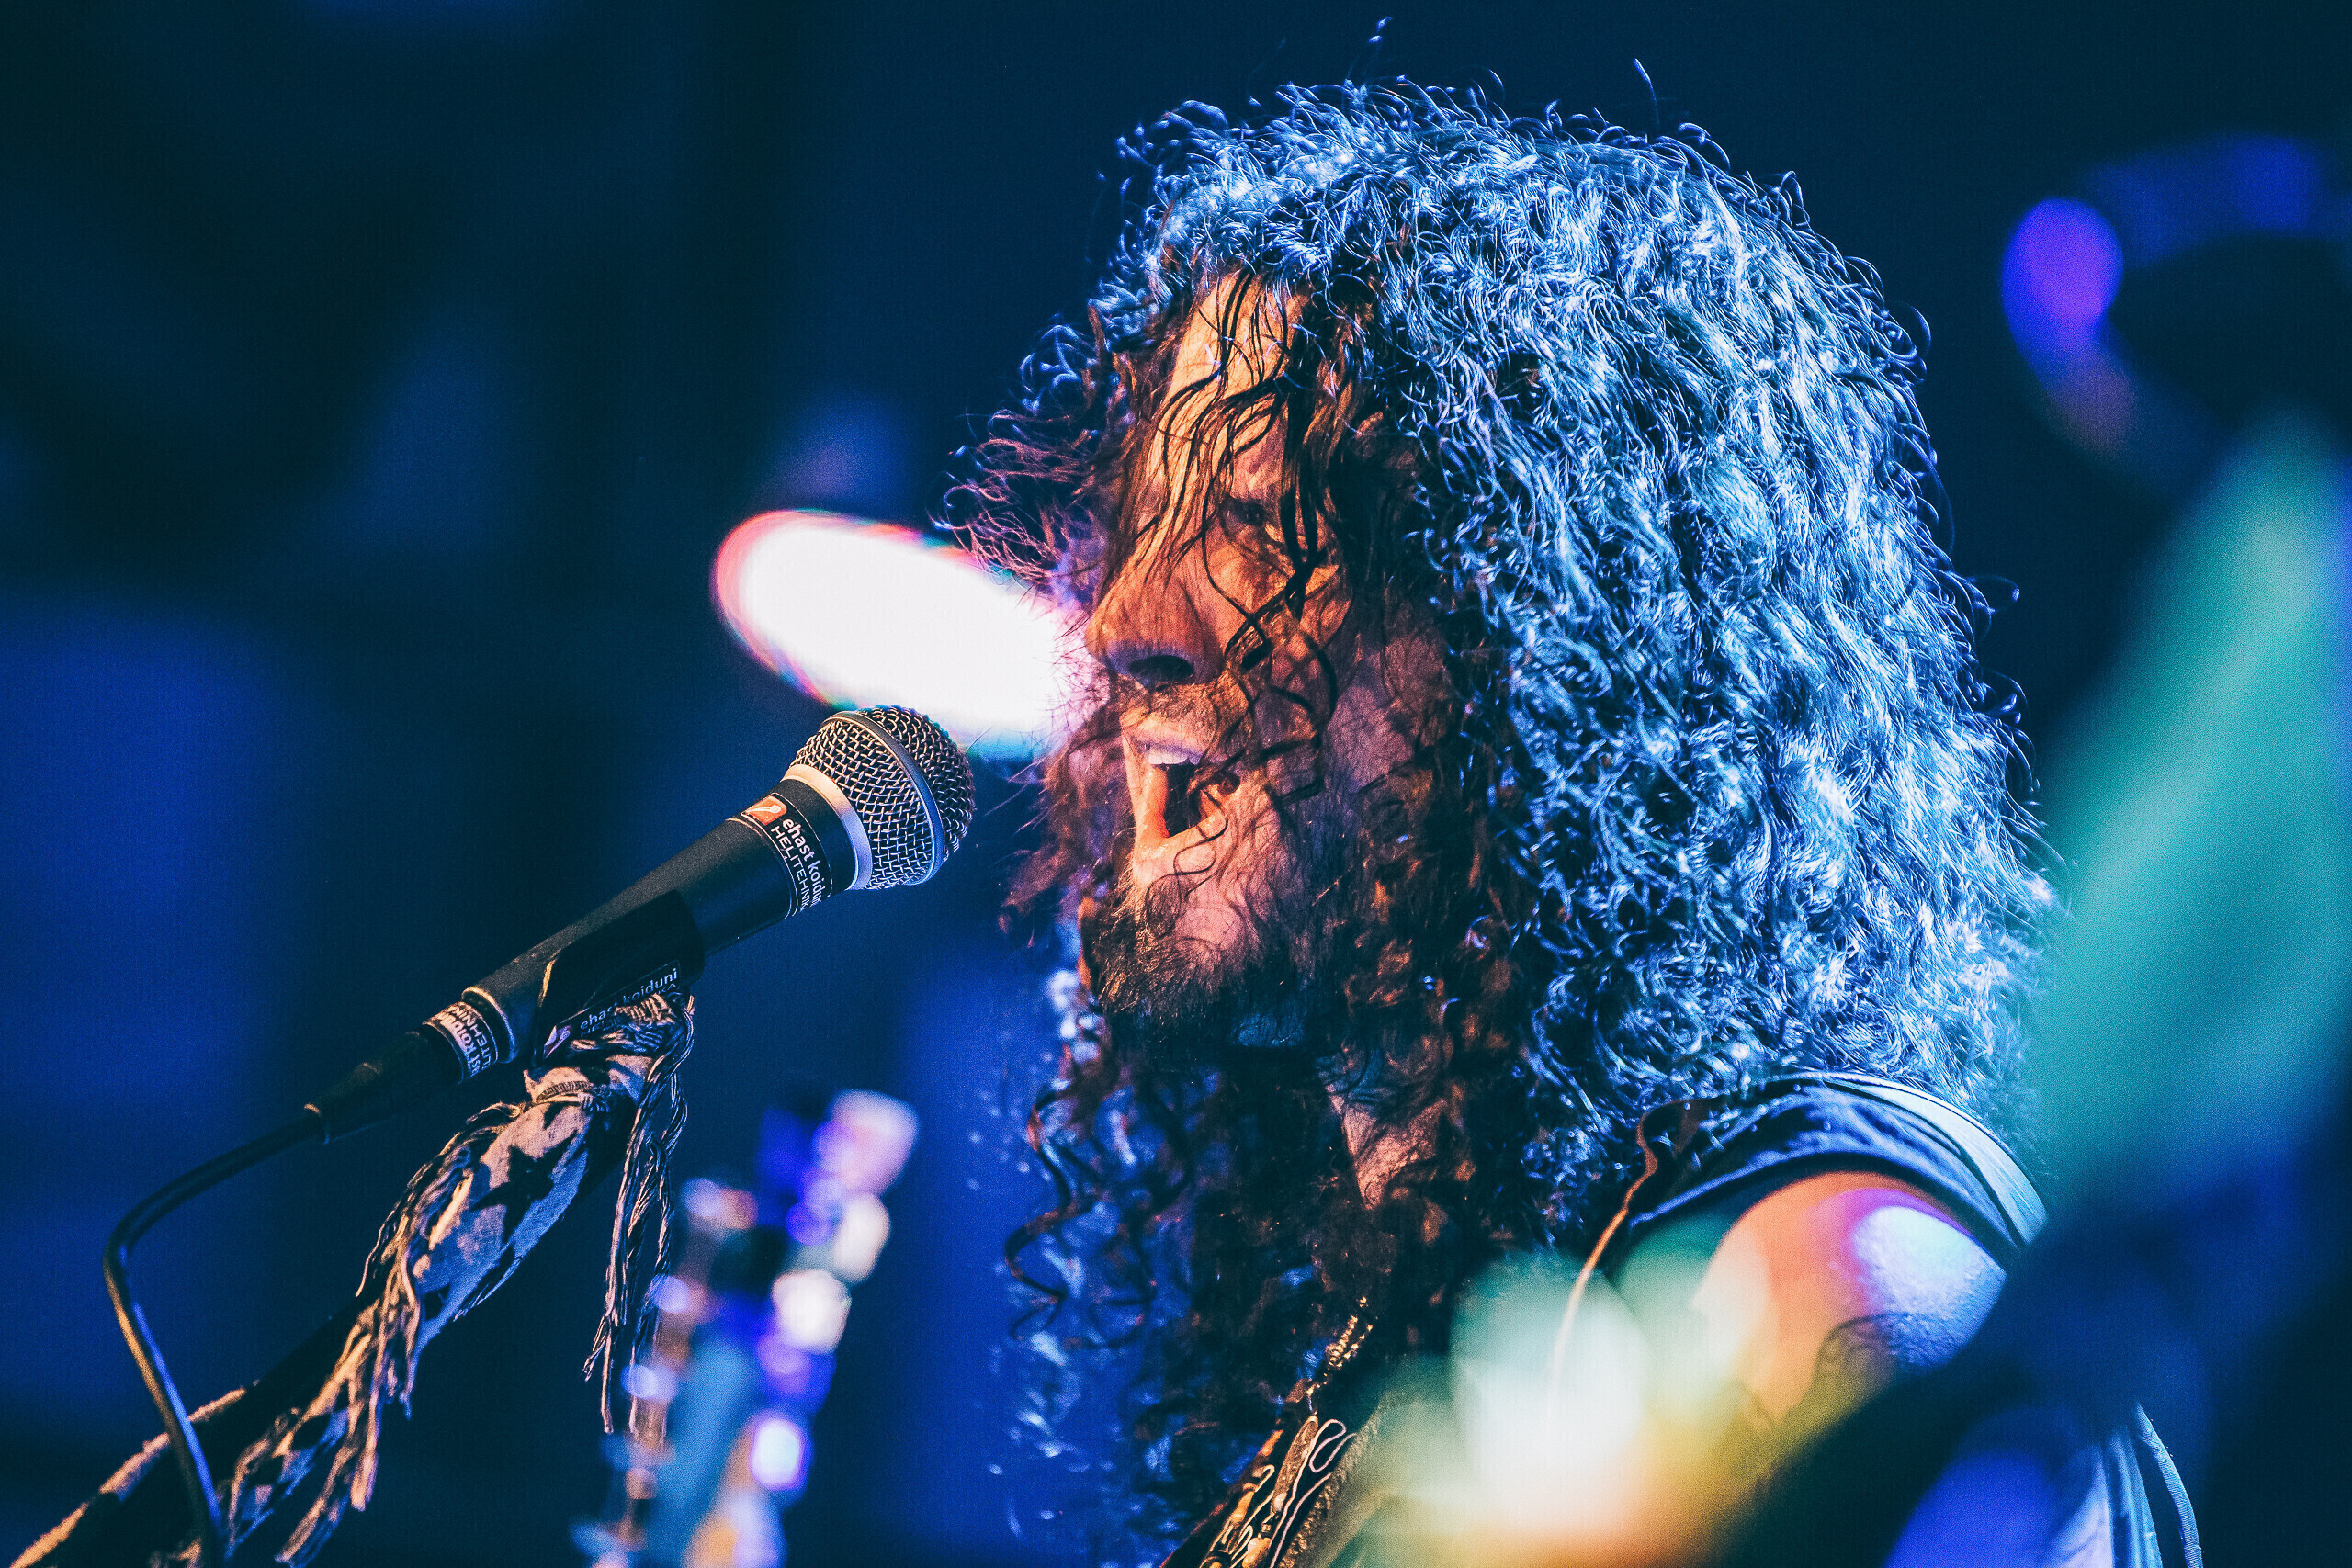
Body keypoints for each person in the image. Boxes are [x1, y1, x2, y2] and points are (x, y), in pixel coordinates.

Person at [957, 85, 2192, 1567]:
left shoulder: (1818, 1279)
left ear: (1548, 640)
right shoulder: (1457, 1313)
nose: (1126, 619)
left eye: (1264, 526)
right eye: (1146, 527)